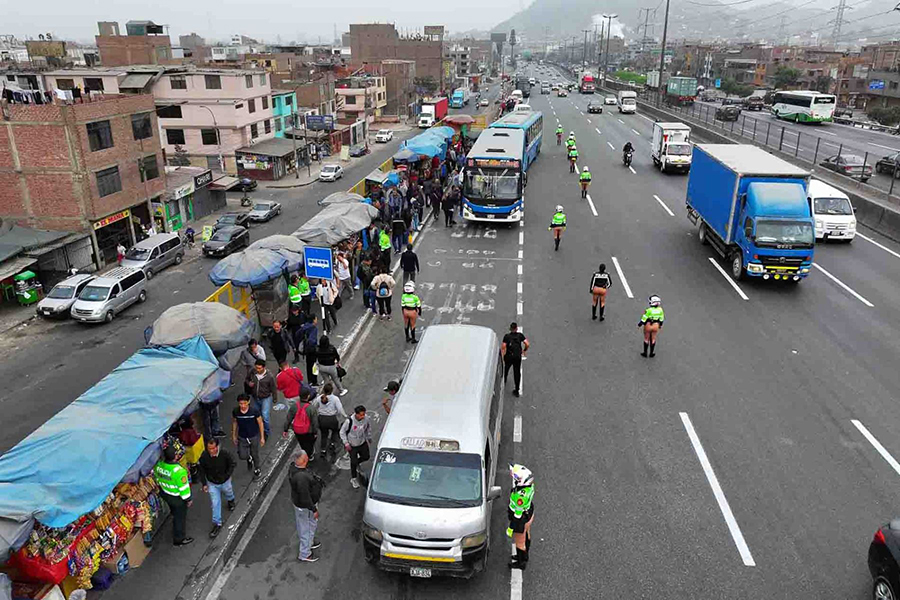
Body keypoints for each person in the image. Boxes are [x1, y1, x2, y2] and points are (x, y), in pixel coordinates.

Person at [154, 445, 194, 546]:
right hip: (177, 499)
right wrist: (188, 500)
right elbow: (184, 490)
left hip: (166, 494)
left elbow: (157, 479)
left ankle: (174, 514)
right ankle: (179, 539)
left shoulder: (159, 466)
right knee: (179, 518)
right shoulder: (179, 471)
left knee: (174, 512)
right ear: (175, 456)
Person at [198, 438, 236, 539]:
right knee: (215, 503)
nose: (211, 451)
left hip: (225, 481)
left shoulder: (224, 453)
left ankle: (231, 500)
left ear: (217, 446)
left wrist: (227, 476)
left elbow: (232, 463)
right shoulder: (204, 456)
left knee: (228, 491)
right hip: (212, 483)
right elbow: (201, 470)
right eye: (209, 448)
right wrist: (204, 484)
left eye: (213, 448)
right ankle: (217, 523)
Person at [289, 450, 322, 563]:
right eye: (306, 456)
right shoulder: (301, 478)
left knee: (308, 525)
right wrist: (314, 509)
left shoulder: (294, 468)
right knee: (306, 528)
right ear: (303, 460)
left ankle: (310, 542)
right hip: (306, 507)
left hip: (302, 505)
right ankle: (305, 553)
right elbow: (305, 496)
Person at [507, 464, 535, 570]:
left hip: (521, 518)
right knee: (527, 533)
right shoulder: (529, 487)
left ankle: (521, 562)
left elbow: (517, 517)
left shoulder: (520, 497)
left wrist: (511, 528)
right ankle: (525, 555)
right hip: (529, 513)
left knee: (520, 541)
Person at [232, 393, 265, 479]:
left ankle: (257, 469)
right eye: (240, 404)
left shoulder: (254, 411)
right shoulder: (236, 411)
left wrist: (262, 437)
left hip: (253, 436)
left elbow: (260, 423)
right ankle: (248, 458)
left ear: (248, 402)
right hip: (242, 436)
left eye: (244, 403)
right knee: (242, 455)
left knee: (255, 454)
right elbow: (235, 422)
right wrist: (234, 435)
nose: (242, 406)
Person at [341, 405, 373, 489]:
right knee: (353, 462)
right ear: (356, 414)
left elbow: (368, 428)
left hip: (362, 442)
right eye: (361, 415)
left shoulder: (366, 418)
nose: (363, 416)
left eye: (364, 414)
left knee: (366, 456)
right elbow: (342, 432)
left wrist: (368, 437)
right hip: (352, 445)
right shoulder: (349, 421)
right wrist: (346, 443)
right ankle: (354, 478)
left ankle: (357, 463)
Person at [313, 383, 347, 459]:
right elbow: (340, 409)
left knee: (324, 435)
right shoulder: (335, 399)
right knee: (335, 432)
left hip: (322, 419)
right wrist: (344, 415)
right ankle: (332, 443)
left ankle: (323, 450)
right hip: (332, 419)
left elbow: (314, 407)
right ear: (332, 390)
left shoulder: (319, 398)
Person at [283, 388, 319, 460]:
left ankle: (304, 452)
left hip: (297, 430)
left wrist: (285, 429)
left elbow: (288, 419)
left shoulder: (294, 407)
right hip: (309, 431)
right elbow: (315, 422)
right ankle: (310, 455)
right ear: (308, 396)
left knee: (302, 442)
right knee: (310, 443)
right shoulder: (311, 408)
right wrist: (315, 432)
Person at [249, 359, 277, 438]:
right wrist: (249, 383)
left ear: (264, 368)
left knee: (265, 416)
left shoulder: (269, 376)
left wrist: (275, 398)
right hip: (255, 397)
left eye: (259, 368)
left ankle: (266, 432)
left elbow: (273, 388)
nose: (257, 370)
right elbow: (247, 379)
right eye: (256, 368)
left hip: (266, 398)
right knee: (256, 414)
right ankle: (258, 428)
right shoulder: (252, 372)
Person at [501, 322, 529, 397]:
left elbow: (503, 347)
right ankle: (516, 390)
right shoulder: (520, 335)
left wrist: (503, 356)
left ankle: (504, 381)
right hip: (517, 357)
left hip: (509, 356)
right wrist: (524, 350)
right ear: (516, 329)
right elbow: (527, 343)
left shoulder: (507, 336)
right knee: (517, 373)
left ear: (510, 329)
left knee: (506, 369)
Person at [299, 315, 319, 385]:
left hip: (306, 349)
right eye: (316, 319)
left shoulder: (304, 327)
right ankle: (315, 381)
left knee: (308, 365)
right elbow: (312, 340)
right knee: (314, 365)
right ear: (313, 320)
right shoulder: (314, 328)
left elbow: (297, 334)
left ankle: (309, 380)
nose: (317, 320)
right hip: (312, 349)